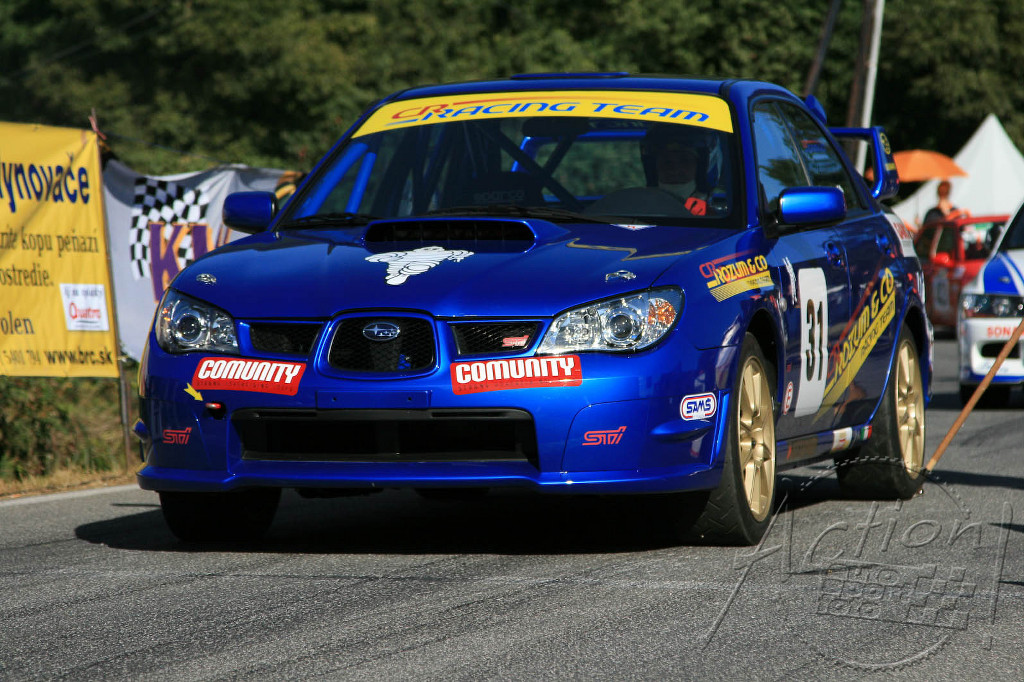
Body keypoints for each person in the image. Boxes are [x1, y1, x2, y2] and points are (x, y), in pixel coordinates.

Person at [641, 125, 710, 215]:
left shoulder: (712, 217)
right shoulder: (639, 212)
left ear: (699, 167)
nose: (675, 170)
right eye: (667, 162)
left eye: (684, 161)